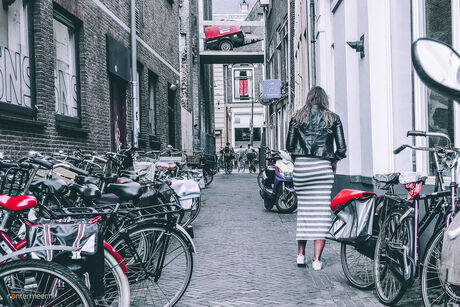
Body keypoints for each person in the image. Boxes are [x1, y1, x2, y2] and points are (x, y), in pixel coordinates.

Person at [286, 86, 346, 271]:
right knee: (321, 215)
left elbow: (289, 145)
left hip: (303, 169)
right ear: (324, 100)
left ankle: (300, 255)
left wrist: (300, 160)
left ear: (309, 98)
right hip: (322, 168)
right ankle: (317, 260)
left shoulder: (297, 117)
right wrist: (332, 160)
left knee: (303, 212)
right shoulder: (332, 118)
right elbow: (342, 149)